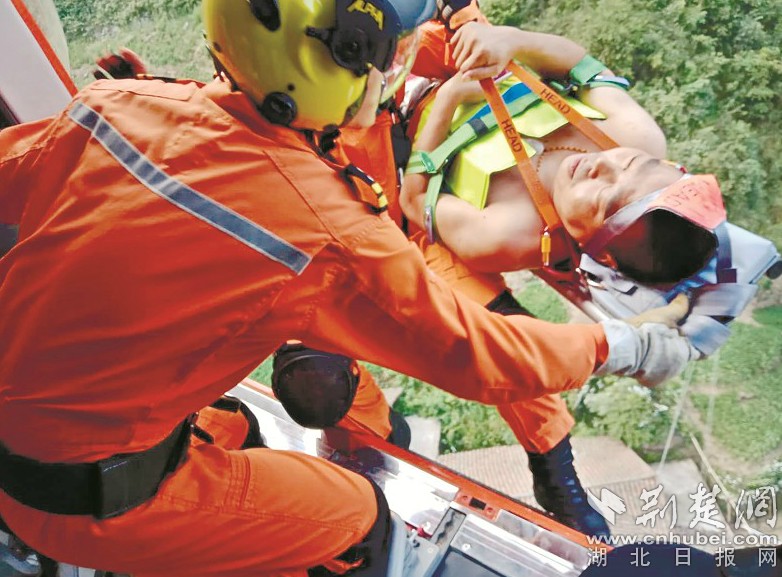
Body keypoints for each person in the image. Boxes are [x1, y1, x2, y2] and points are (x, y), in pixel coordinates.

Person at [0, 1, 700, 576]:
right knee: (363, 513)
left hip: (36, 434)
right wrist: (623, 343)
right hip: (87, 501)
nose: (390, 69)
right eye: (383, 57)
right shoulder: (323, 227)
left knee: (243, 426)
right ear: (335, 63)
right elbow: (477, 354)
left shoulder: (115, 102)